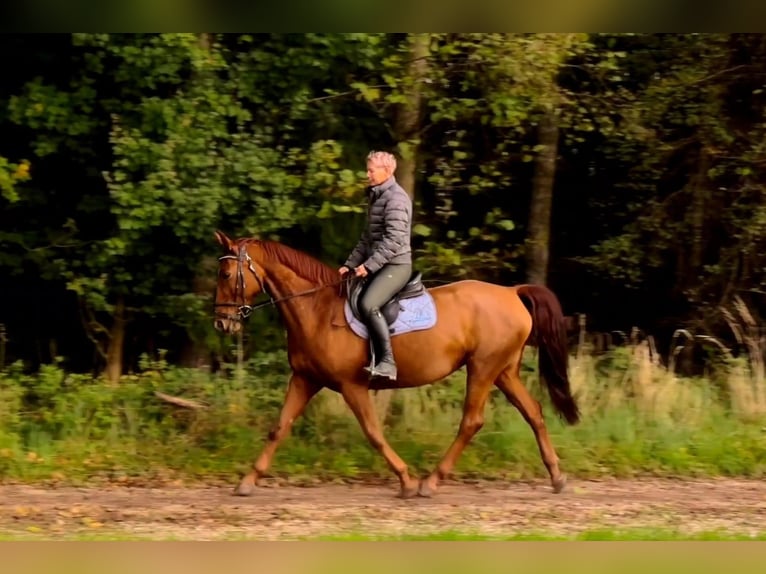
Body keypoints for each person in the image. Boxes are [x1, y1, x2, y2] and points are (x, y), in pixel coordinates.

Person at [339, 150, 413, 381]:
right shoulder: (377, 197)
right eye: (368, 169)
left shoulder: (396, 199)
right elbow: (366, 239)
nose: (367, 174)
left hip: (396, 266)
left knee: (368, 303)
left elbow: (394, 240)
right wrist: (350, 264)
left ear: (387, 171)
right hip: (379, 264)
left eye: (371, 170)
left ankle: (388, 362)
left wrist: (369, 266)